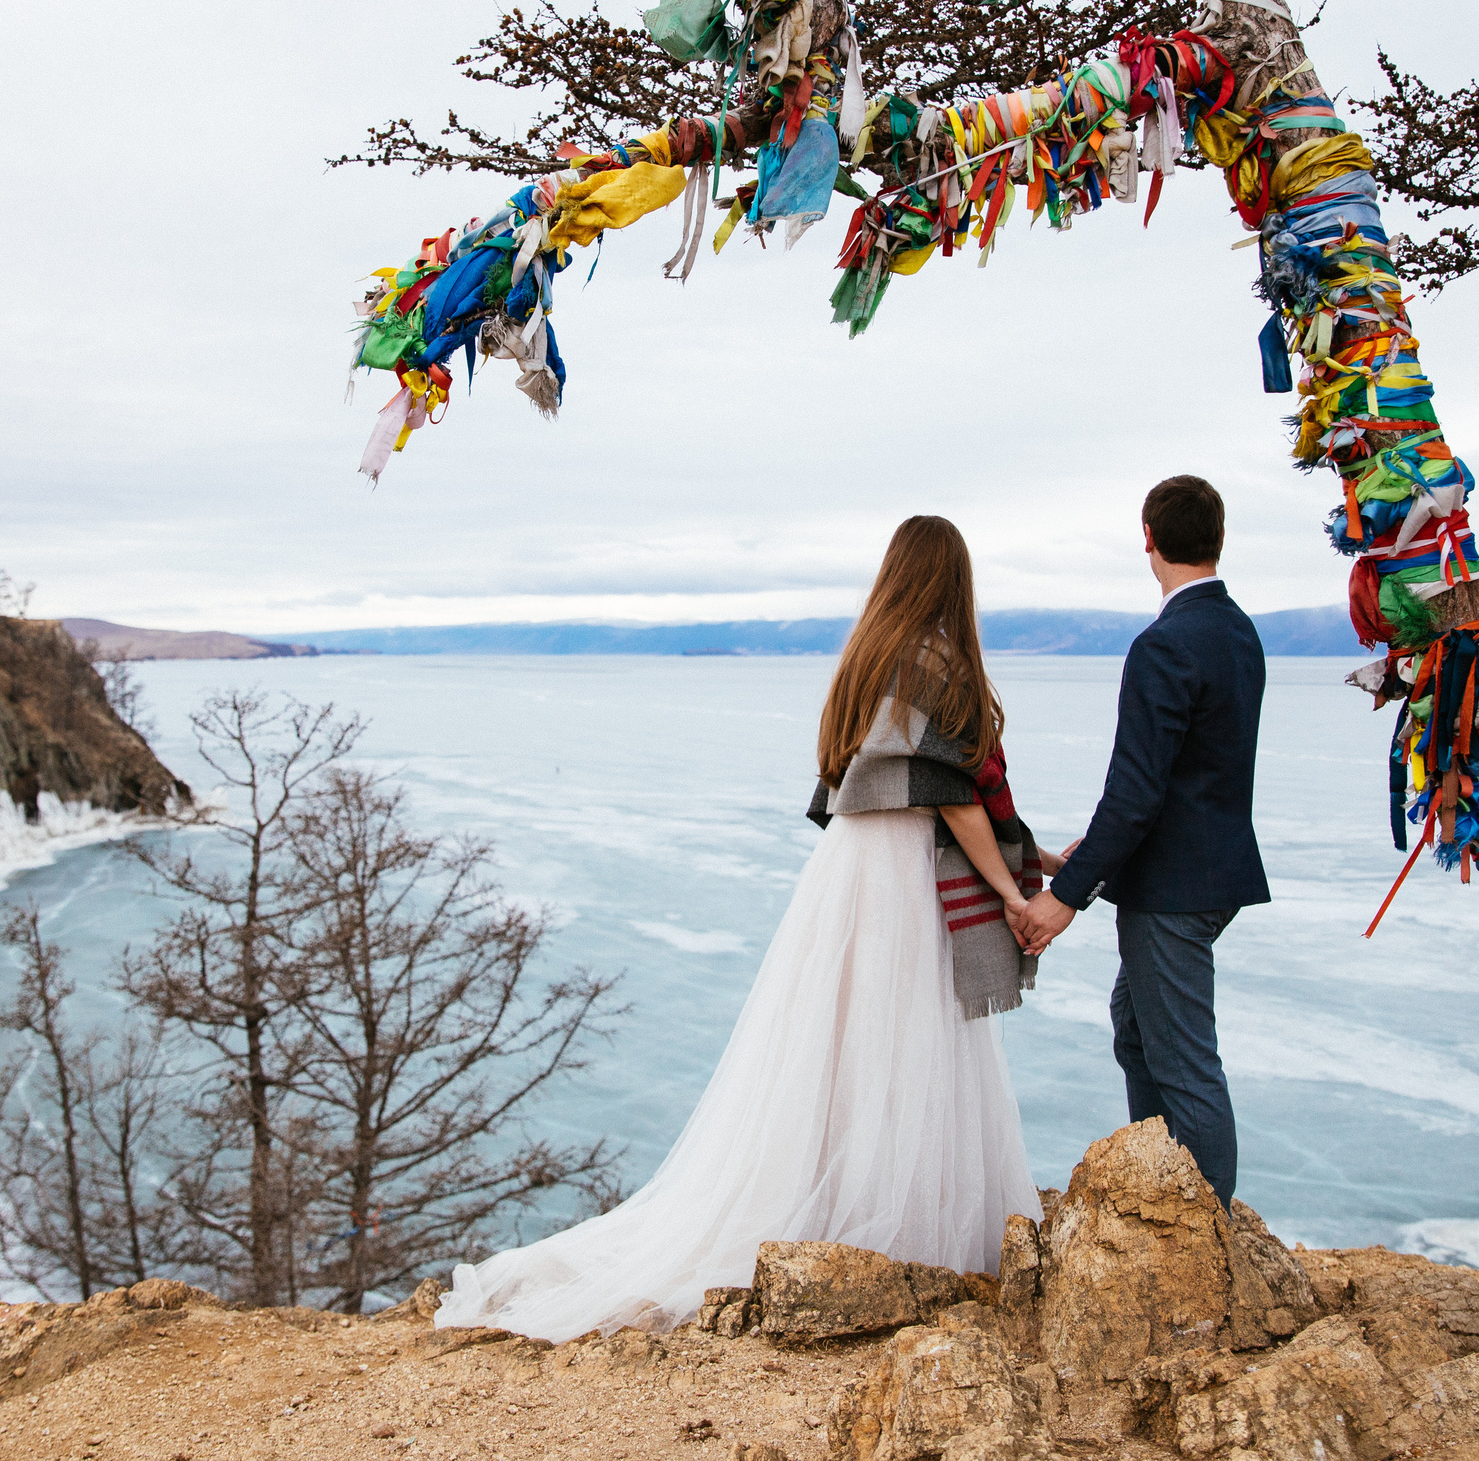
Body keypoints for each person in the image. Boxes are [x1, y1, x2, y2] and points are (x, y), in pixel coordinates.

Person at [437, 515, 1049, 1340]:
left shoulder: (867, 653)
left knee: (837, 1043)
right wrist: (1013, 889)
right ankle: (891, 1222)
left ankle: (840, 1203)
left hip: (851, 867)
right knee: (908, 1039)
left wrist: (1031, 855)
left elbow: (881, 778)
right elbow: (949, 794)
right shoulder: (934, 658)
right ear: (954, 579)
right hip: (902, 867)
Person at [1012, 475, 1269, 1205]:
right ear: (1215, 538)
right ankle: (1164, 1188)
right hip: (1215, 872)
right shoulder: (1240, 631)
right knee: (1136, 1023)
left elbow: (1137, 792)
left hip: (1173, 889)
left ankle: (1203, 1237)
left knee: (1186, 1063)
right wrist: (1093, 848)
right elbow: (1191, 769)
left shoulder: (1163, 644)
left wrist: (1064, 895)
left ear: (1149, 540)